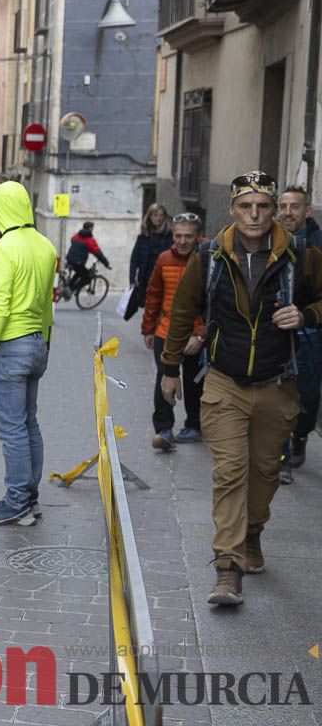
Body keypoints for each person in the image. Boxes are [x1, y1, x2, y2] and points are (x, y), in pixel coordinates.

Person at [161, 171, 322, 607]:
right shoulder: (210, 257)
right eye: (246, 207)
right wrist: (170, 367)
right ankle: (227, 568)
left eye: (264, 207)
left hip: (277, 385)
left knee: (265, 473)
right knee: (229, 473)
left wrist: (305, 315)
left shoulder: (302, 257)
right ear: (232, 210)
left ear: (275, 212)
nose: (255, 215)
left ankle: (252, 533)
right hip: (224, 384)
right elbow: (182, 312)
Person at [0, 181, 57, 525]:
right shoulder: (46, 247)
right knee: (29, 423)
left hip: (9, 349)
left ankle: (16, 499)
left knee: (12, 430)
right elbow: (48, 303)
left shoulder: (1, 251)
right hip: (37, 344)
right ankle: (29, 496)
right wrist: (44, 343)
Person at [141, 212, 205, 452]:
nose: (182, 241)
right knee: (164, 378)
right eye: (178, 235)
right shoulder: (164, 259)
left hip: (195, 335)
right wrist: (148, 328)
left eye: (188, 236)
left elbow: (213, 303)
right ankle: (164, 429)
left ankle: (194, 425)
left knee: (194, 381)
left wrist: (200, 334)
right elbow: (154, 294)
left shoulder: (206, 260)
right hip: (165, 331)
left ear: (197, 236)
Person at [275, 185, 322, 484]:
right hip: (278, 332)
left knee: (307, 395)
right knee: (280, 393)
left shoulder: (317, 247)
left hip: (311, 331)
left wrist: (306, 314)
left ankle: (301, 436)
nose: (287, 212)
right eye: (283, 206)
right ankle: (281, 459)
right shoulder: (269, 241)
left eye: (294, 207)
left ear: (307, 211)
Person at [127, 204, 173, 320]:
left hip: (164, 279)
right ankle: (151, 333)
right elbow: (134, 259)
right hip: (145, 280)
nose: (159, 218)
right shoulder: (143, 237)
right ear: (150, 217)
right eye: (155, 215)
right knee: (149, 310)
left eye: (161, 215)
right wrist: (132, 280)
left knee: (162, 309)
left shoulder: (170, 237)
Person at [66, 221, 111, 293]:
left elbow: (73, 241)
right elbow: (98, 253)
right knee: (87, 278)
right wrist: (106, 264)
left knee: (80, 272)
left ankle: (69, 286)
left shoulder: (76, 235)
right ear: (90, 229)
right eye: (92, 228)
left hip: (69, 258)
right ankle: (71, 289)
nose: (93, 230)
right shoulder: (90, 240)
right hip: (78, 262)